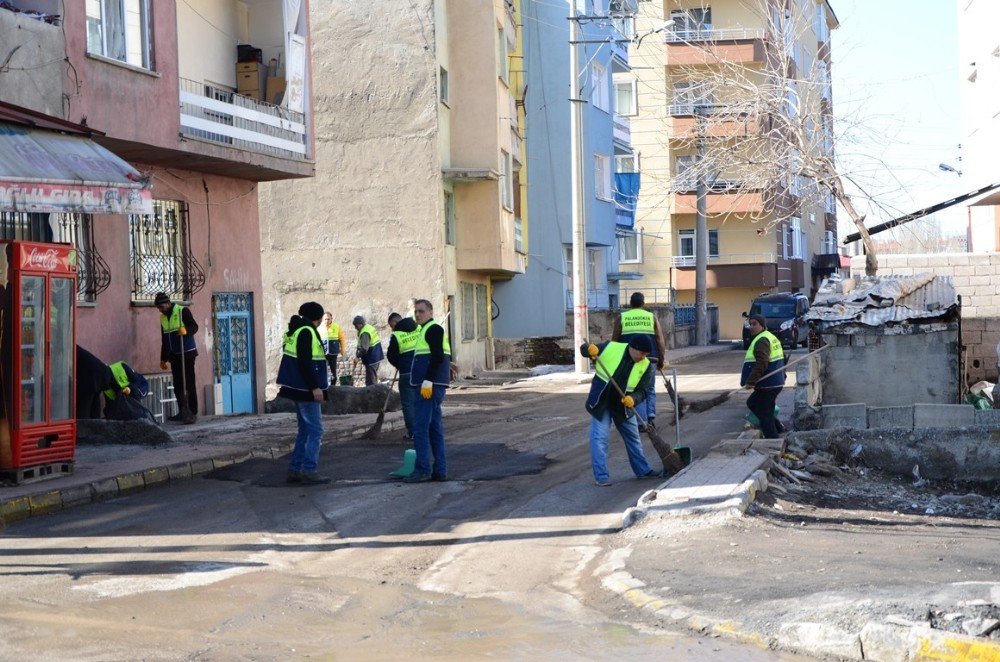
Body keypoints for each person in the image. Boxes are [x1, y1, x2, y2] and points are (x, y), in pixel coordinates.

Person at [580, 336, 659, 486]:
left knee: (633, 439)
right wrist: (589, 350)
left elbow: (643, 391)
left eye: (646, 354)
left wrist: (633, 399)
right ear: (633, 347)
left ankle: (643, 471)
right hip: (601, 402)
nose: (643, 357)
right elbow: (585, 350)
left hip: (623, 406)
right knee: (600, 438)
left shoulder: (646, 366)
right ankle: (601, 477)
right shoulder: (611, 348)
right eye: (641, 353)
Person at [276, 301, 331, 485]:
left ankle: (295, 469)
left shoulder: (296, 330)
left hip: (297, 388)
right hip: (306, 389)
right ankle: (309, 470)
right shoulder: (306, 332)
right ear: (319, 317)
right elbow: (306, 363)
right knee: (316, 430)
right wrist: (315, 388)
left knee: (305, 430)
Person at [404, 299, 450, 483]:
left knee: (420, 428)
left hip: (429, 387)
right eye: (416, 312)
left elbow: (437, 357)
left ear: (431, 312)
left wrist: (428, 381)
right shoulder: (426, 330)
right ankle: (440, 470)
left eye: (422, 311)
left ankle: (422, 470)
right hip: (432, 386)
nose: (418, 315)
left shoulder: (433, 329)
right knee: (434, 429)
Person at [612, 292, 667, 431]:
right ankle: (650, 416)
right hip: (651, 357)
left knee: (636, 389)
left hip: (631, 359)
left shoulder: (622, 318)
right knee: (649, 388)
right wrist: (661, 359)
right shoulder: (651, 317)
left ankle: (641, 421)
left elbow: (615, 342)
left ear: (630, 303)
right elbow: (660, 340)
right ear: (643, 304)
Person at [740, 313, 787, 439]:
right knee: (756, 404)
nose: (751, 327)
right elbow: (783, 358)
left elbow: (762, 363)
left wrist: (751, 381)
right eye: (750, 324)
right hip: (773, 382)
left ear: (762, 325)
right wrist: (783, 375)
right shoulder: (769, 337)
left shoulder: (762, 340)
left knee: (761, 409)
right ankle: (778, 427)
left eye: (755, 324)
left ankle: (773, 439)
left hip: (768, 384)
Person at [154, 292, 199, 424]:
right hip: (174, 354)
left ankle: (192, 411)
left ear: (168, 303)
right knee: (178, 384)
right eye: (158, 308)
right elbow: (165, 340)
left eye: (161, 307)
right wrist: (163, 358)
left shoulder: (182, 311)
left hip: (187, 352)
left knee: (189, 383)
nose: (160, 310)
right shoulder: (163, 318)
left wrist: (186, 330)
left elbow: (194, 326)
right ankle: (182, 411)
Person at [387, 311, 421, 440]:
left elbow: (391, 356)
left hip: (406, 373)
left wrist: (399, 364)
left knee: (408, 404)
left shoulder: (397, 335)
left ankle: (413, 432)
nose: (392, 328)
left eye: (391, 325)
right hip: (422, 372)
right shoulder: (418, 328)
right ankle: (425, 429)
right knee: (422, 401)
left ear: (396, 322)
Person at [353, 315, 385, 386]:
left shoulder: (365, 333)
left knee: (371, 381)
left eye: (356, 326)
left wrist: (357, 357)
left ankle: (372, 395)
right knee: (372, 378)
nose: (355, 328)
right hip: (376, 356)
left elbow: (364, 348)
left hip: (371, 358)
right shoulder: (369, 327)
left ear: (360, 324)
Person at [320, 312, 346, 384]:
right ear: (323, 319)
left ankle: (333, 386)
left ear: (331, 318)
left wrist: (343, 350)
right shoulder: (319, 327)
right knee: (322, 371)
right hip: (322, 353)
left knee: (333, 372)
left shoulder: (336, 326)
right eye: (325, 319)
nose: (327, 321)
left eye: (328, 319)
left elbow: (342, 339)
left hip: (333, 352)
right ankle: (323, 386)